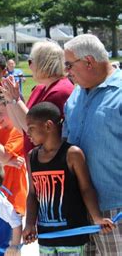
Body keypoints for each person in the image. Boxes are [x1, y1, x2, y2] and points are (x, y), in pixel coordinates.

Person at [23, 102, 115, 256]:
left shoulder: (72, 154)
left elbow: (86, 189)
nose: (28, 133)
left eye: (31, 128)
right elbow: (33, 194)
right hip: (47, 238)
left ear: (48, 126)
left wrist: (97, 218)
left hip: (73, 238)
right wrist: (30, 224)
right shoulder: (32, 156)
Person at [63, 34, 122, 255]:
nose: (67, 72)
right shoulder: (75, 97)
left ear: (88, 61)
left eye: (69, 65)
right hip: (78, 209)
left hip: (115, 209)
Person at [0, 40, 73, 154]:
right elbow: (22, 129)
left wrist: (17, 100)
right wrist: (10, 99)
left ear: (44, 63)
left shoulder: (60, 91)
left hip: (49, 164)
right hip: (35, 161)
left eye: (30, 61)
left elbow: (35, 131)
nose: (29, 67)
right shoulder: (39, 89)